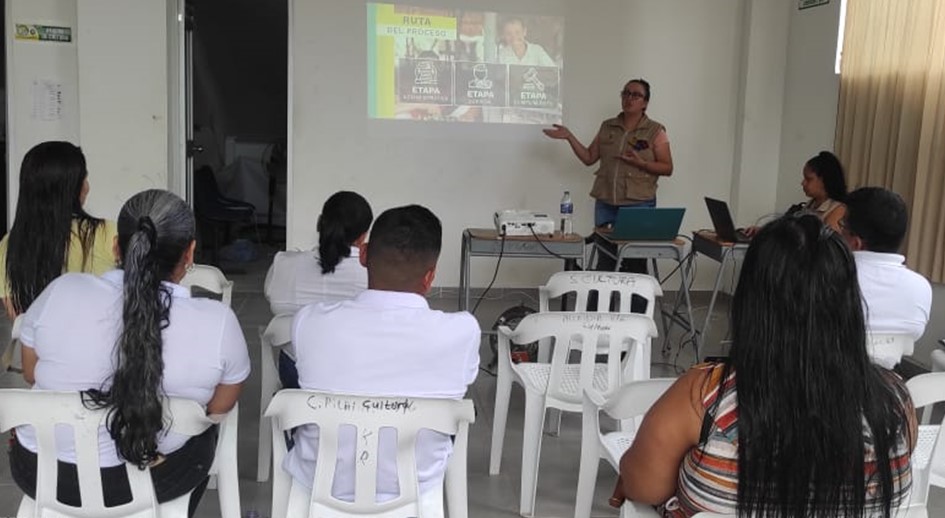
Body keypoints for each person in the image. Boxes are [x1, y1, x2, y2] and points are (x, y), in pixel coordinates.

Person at [612, 213, 915, 517]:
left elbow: (643, 485)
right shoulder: (894, 400)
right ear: (849, 302)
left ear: (751, 300)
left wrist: (636, 476)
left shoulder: (704, 395)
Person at [9, 189, 251, 517]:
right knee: (205, 431)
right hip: (152, 478)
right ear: (190, 253)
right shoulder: (217, 321)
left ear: (115, 246)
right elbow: (219, 407)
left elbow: (30, 371)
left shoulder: (62, 290)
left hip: (42, 471)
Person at [283, 204, 480, 511]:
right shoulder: (462, 331)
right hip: (415, 480)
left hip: (320, 478)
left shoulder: (309, 322)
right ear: (430, 277)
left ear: (363, 255)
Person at [543, 79, 673, 273]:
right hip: (606, 203)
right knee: (605, 260)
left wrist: (642, 164)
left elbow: (667, 167)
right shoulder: (607, 126)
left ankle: (636, 294)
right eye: (625, 93)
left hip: (638, 204)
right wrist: (569, 136)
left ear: (645, 103)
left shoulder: (656, 130)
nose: (629, 98)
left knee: (635, 264)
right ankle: (603, 294)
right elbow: (589, 158)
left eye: (635, 95)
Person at [264, 190, 373, 388]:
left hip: (297, 374)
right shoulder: (375, 273)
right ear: (363, 236)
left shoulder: (284, 264)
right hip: (356, 375)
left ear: (320, 223)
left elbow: (271, 295)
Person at [0, 141, 118, 320]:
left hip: (36, 337)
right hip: (100, 335)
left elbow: (15, 313)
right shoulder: (108, 233)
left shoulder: (10, 244)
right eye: (83, 179)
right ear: (71, 188)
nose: (87, 186)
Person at [841, 187, 932, 368]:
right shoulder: (921, 288)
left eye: (842, 226)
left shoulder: (828, 277)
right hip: (886, 379)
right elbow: (911, 339)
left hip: (822, 376)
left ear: (856, 242)